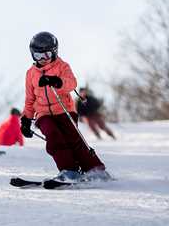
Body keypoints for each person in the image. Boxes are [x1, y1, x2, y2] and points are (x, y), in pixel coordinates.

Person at [19, 31, 110, 184]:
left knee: (74, 140)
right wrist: (26, 120)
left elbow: (71, 83)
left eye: (46, 55)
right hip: (43, 114)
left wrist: (56, 81)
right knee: (54, 137)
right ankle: (69, 171)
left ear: (54, 52)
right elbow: (30, 99)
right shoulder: (31, 74)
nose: (42, 59)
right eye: (37, 55)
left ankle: (95, 169)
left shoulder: (62, 66)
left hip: (64, 110)